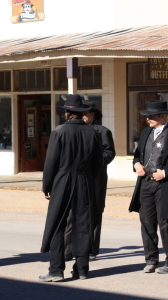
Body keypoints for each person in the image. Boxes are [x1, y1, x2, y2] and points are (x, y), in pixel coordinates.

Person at [39, 94, 104, 282]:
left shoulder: (59, 131)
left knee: (58, 223)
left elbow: (51, 162)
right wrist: (87, 177)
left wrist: (47, 185)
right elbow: (98, 163)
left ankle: (56, 270)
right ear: (82, 112)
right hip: (84, 180)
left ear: (67, 113)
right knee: (82, 224)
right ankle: (82, 269)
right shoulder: (93, 132)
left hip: (63, 180)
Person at [129, 100, 168, 274]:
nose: (148, 119)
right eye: (147, 116)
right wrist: (136, 164)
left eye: (152, 116)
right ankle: (151, 259)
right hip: (145, 183)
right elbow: (137, 155)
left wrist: (166, 172)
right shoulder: (146, 132)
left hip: (164, 184)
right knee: (146, 223)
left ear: (163, 116)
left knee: (164, 223)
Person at [64, 103, 116, 261]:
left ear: (93, 116)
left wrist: (93, 164)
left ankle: (92, 249)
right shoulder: (71, 130)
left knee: (94, 212)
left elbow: (110, 153)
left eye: (86, 114)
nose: (84, 116)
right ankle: (69, 249)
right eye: (82, 114)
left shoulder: (103, 131)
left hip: (95, 179)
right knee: (72, 213)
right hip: (75, 178)